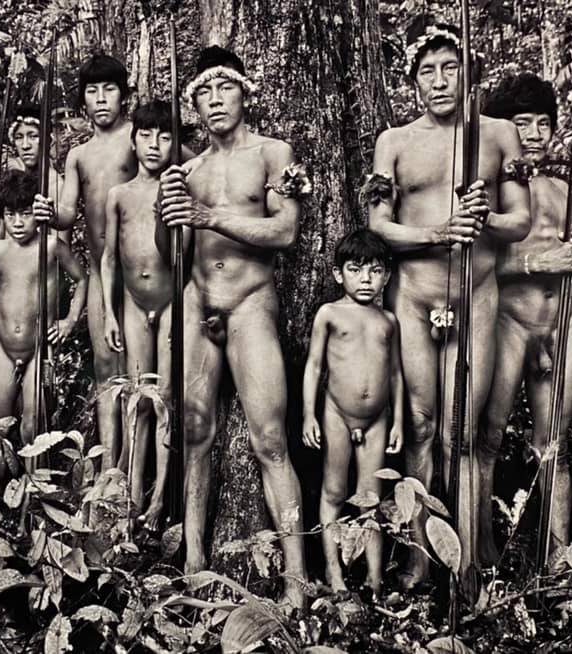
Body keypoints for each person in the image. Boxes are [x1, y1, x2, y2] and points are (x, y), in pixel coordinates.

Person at [367, 22, 531, 588]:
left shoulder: (500, 135)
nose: (439, 81)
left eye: (450, 68)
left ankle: (469, 561)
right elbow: (378, 226)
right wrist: (437, 232)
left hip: (476, 296)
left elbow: (520, 220)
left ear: (468, 74)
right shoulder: (394, 142)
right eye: (427, 72)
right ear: (413, 81)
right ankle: (417, 556)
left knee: (461, 431)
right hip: (414, 296)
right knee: (419, 425)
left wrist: (486, 217)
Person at [157, 45, 308, 607]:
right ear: (193, 105)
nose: (215, 100)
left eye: (224, 88)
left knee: (270, 440)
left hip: (250, 304)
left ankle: (296, 580)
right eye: (203, 92)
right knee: (195, 435)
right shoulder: (188, 169)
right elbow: (172, 255)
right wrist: (167, 210)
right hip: (199, 304)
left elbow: (285, 232)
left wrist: (210, 216)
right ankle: (194, 564)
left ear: (245, 94)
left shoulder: (273, 153)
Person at [478, 72, 572, 564]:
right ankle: (482, 549)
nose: (533, 134)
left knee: (555, 445)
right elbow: (481, 268)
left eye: (543, 123)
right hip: (509, 323)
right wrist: (539, 261)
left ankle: (557, 557)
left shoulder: (565, 191)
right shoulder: (493, 194)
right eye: (522, 123)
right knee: (486, 439)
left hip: (562, 324)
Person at [33, 55, 137, 469]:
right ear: (83, 101)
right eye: (93, 91)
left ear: (124, 95)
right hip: (98, 272)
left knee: (140, 369)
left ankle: (135, 468)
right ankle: (110, 469)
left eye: (109, 89)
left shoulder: (139, 137)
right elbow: (66, 213)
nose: (101, 98)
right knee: (106, 368)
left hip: (141, 273)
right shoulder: (78, 155)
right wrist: (48, 211)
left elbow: (187, 163)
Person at [302, 229, 404, 599]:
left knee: (370, 497)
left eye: (375, 271)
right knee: (334, 491)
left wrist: (398, 421)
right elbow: (314, 367)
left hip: (377, 420)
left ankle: (375, 580)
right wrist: (309, 416)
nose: (365, 279)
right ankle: (335, 575)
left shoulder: (388, 321)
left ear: (386, 276)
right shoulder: (330, 314)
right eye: (355, 269)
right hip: (336, 414)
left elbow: (395, 374)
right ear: (337, 273)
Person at [0, 171, 87, 503]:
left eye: (25, 214)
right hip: (3, 347)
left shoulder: (52, 247)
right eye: (10, 214)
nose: (18, 222)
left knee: (31, 423)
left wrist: (69, 320)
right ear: (2, 215)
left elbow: (82, 279)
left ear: (37, 213)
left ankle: (30, 499)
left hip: (39, 347)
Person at [101, 99, 179, 531]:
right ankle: (131, 494)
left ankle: (160, 496)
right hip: (132, 303)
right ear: (133, 141)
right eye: (146, 135)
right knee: (137, 399)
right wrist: (110, 314)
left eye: (165, 137)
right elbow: (110, 258)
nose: (154, 145)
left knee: (164, 397)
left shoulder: (178, 187)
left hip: (169, 304)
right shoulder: (119, 195)